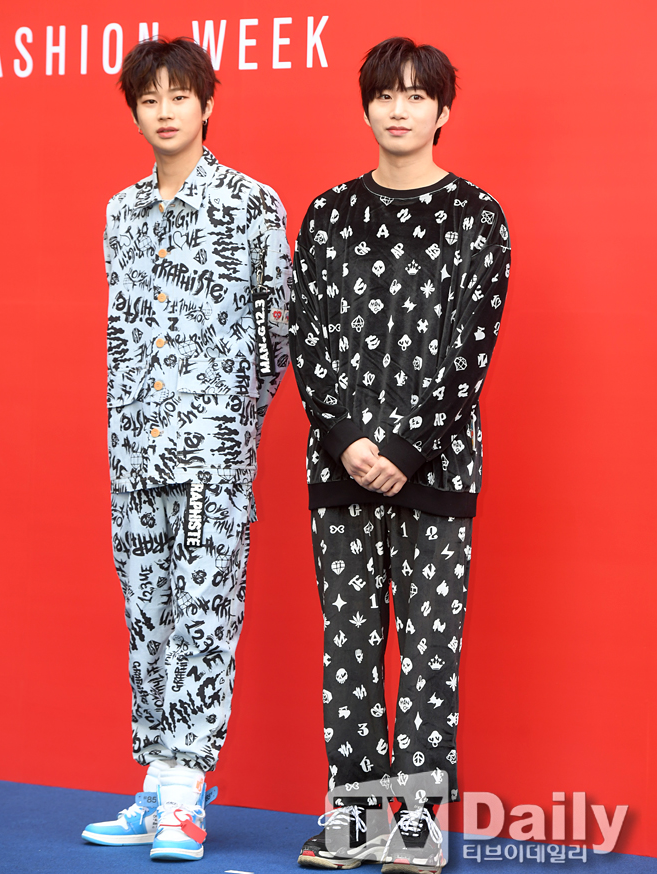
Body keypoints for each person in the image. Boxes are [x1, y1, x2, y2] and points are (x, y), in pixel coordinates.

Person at [289, 37, 511, 872]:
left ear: (443, 110)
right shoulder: (328, 214)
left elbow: (471, 349)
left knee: (428, 656)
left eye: (417, 96)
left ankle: (416, 827)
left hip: (438, 472)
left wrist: (409, 451)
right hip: (339, 468)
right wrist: (346, 441)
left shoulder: (477, 217)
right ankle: (353, 825)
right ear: (366, 106)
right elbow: (306, 337)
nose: (399, 109)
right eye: (386, 94)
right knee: (347, 652)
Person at [82, 36, 291, 862]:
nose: (165, 111)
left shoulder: (251, 204)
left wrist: (231, 420)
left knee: (204, 618)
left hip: (211, 455)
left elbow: (278, 331)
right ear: (134, 113)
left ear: (207, 103)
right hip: (134, 453)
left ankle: (183, 796)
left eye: (179, 95)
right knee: (149, 620)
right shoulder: (120, 212)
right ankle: (158, 785)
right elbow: (120, 332)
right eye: (149, 99)